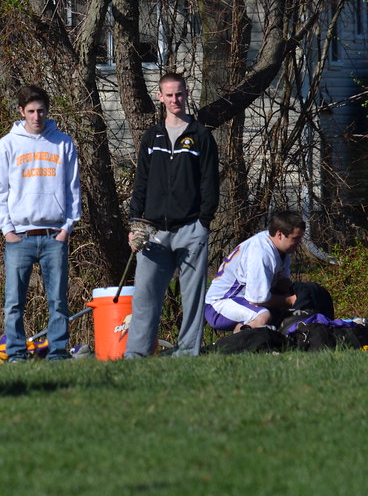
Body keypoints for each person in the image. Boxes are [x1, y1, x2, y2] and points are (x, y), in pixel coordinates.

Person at [124, 72, 219, 358]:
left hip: (191, 229)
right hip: (152, 232)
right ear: (160, 97)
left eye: (179, 94)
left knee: (192, 298)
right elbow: (141, 181)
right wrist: (134, 222)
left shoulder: (201, 136)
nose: (175, 99)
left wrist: (204, 222)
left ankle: (187, 352)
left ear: (186, 94)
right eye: (169, 94)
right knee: (144, 298)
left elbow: (210, 183)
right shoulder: (152, 136)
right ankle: (137, 355)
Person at [0, 85, 81, 362]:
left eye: (41, 110)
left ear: (47, 111)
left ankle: (58, 352)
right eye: (30, 111)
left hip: (54, 235)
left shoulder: (63, 142)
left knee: (58, 301)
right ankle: (16, 353)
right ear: (21, 112)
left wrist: (67, 228)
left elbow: (73, 188)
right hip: (20, 236)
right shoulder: (8, 144)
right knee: (14, 302)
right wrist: (7, 229)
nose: (36, 116)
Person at [205, 211, 305, 332]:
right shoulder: (261, 252)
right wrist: (290, 300)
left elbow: (281, 281)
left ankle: (233, 346)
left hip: (241, 299)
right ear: (279, 235)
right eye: (295, 238)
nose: (299, 243)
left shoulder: (280, 247)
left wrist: (298, 293)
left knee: (275, 312)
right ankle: (240, 345)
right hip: (220, 303)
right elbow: (258, 299)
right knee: (262, 316)